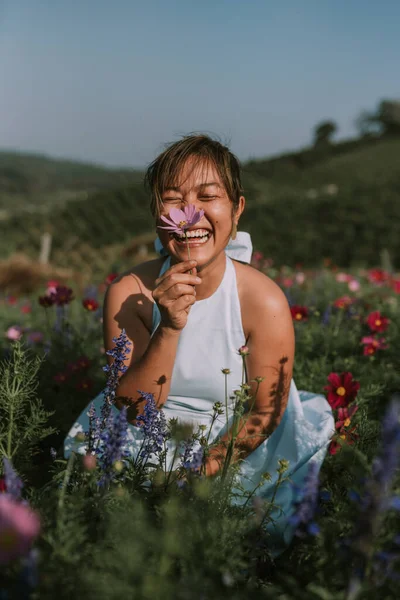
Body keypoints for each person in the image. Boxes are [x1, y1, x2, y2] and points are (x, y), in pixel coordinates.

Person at [64, 134, 334, 556]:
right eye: (173, 200)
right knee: (106, 521)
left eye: (208, 196)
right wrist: (169, 326)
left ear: (237, 208)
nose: (190, 215)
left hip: (238, 439)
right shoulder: (130, 292)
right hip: (145, 433)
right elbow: (132, 407)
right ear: (157, 216)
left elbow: (265, 410)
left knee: (240, 532)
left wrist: (202, 470)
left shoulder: (261, 299)